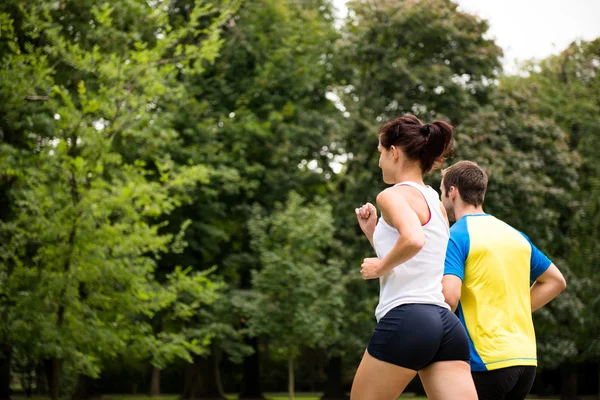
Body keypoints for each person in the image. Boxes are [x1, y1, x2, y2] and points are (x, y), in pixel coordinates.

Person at [352, 115, 477, 400]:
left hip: (408, 319)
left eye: (381, 154)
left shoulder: (391, 196)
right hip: (446, 325)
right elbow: (418, 256)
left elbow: (414, 240)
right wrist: (374, 233)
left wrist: (379, 267)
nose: (380, 162)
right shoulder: (435, 201)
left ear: (394, 152)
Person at [440, 160, 567, 400]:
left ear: (452, 191)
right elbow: (556, 281)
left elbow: (450, 297)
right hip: (526, 361)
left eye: (441, 191)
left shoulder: (456, 235)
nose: (441, 199)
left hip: (487, 361)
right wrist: (513, 308)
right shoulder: (515, 235)